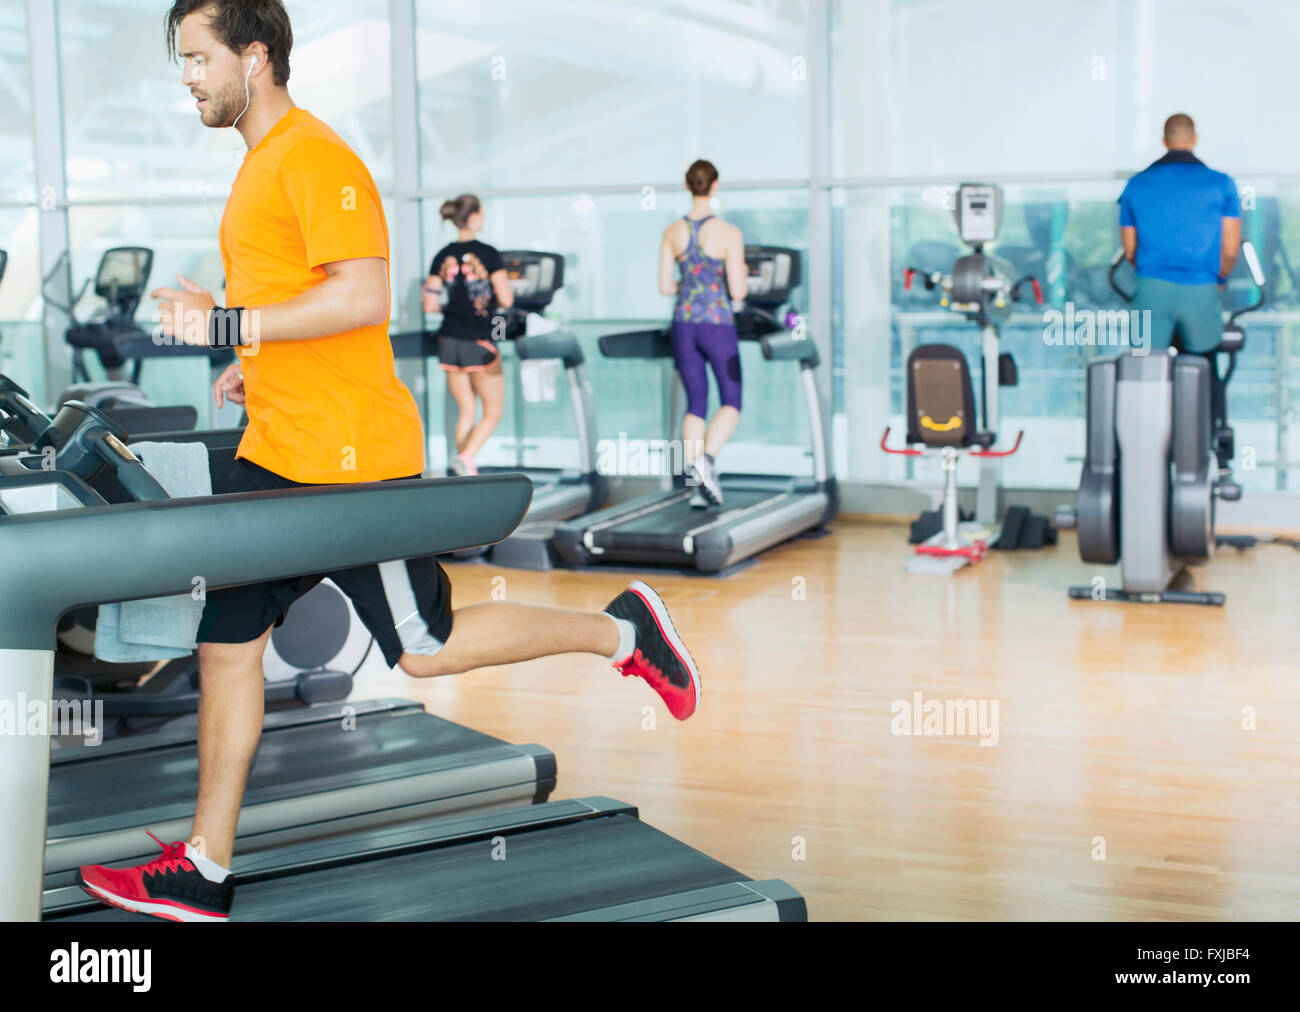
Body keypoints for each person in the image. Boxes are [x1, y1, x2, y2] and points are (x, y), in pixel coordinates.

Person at [75, 0, 700, 924]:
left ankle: (623, 631)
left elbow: (363, 295)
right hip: (277, 451)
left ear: (255, 58)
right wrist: (255, 365)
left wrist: (223, 324)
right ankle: (204, 869)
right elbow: (302, 307)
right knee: (227, 648)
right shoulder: (258, 166)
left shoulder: (314, 156)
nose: (187, 77)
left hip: (343, 463)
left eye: (200, 58)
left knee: (425, 648)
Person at [658, 159, 749, 508]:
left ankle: (698, 483)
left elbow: (666, 286)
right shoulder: (729, 233)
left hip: (683, 324)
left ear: (687, 186)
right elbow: (738, 291)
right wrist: (723, 280)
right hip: (717, 325)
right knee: (732, 400)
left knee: (696, 401)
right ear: (715, 186)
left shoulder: (672, 232)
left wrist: (692, 283)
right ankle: (706, 459)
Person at [1118, 113, 1242, 355]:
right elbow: (1229, 249)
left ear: (1163, 142)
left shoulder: (1136, 184)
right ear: (1194, 139)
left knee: (1144, 371)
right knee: (1203, 368)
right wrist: (1221, 279)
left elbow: (1130, 249)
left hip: (1151, 288)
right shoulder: (1221, 183)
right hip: (1201, 288)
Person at [422, 196, 510, 476]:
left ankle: (463, 469)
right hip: (481, 339)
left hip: (449, 341)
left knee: (467, 412)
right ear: (472, 217)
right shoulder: (489, 253)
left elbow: (430, 305)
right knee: (493, 412)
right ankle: (468, 457)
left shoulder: (441, 255)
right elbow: (506, 300)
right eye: (481, 213)